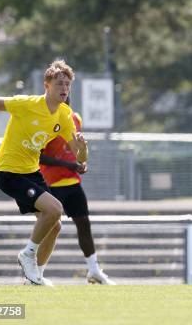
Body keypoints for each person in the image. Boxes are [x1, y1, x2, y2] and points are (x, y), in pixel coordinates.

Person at [0, 60, 87, 286]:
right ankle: (27, 254)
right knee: (55, 209)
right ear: (47, 85)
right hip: (9, 172)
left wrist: (83, 150)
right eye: (59, 84)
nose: (64, 89)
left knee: (55, 226)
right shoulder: (26, 104)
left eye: (67, 85)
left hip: (31, 172)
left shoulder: (64, 115)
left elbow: (80, 157)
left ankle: (34, 277)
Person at [38, 97, 116, 285]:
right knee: (49, 229)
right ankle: (35, 274)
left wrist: (81, 163)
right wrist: (68, 164)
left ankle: (94, 270)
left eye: (66, 95)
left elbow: (77, 151)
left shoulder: (75, 118)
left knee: (83, 223)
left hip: (72, 182)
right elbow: (40, 156)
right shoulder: (45, 120)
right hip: (50, 183)